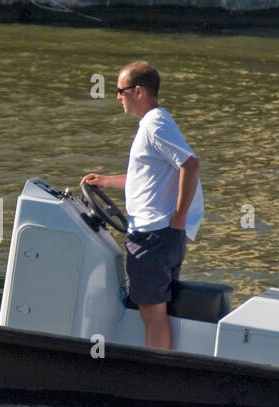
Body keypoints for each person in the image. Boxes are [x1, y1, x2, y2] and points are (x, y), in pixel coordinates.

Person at [81, 61, 202, 350]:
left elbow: (190, 164)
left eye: (120, 90)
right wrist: (106, 181)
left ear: (138, 91)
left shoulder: (154, 124)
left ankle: (157, 376)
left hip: (153, 235)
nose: (117, 97)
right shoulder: (153, 123)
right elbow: (148, 178)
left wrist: (179, 218)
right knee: (155, 311)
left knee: (153, 313)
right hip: (159, 235)